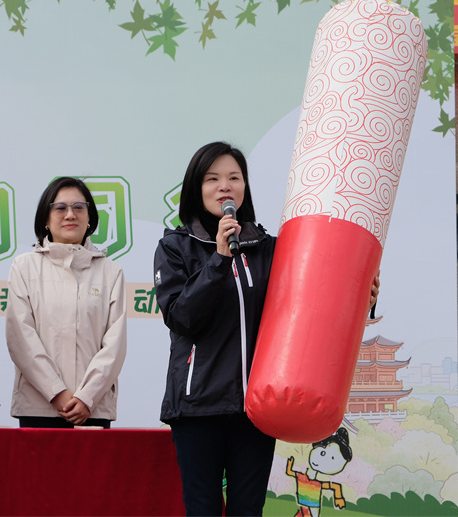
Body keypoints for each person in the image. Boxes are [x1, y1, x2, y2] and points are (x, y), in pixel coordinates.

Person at [153, 142, 379, 516]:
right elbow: (181, 317)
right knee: (202, 507)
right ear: (196, 188)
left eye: (234, 178)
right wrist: (219, 259)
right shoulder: (175, 247)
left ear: (244, 187)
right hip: (197, 406)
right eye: (212, 179)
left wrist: (359, 297)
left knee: (248, 509)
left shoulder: (268, 248)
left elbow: (309, 305)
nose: (225, 186)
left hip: (254, 408)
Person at [5, 177, 127, 429]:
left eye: (79, 207)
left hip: (92, 409)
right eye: (60, 208)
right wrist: (56, 392)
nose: (70, 214)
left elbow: (114, 345)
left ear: (90, 218)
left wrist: (86, 397)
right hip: (39, 407)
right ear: (46, 220)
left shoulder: (111, 272)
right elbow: (21, 338)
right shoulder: (24, 267)